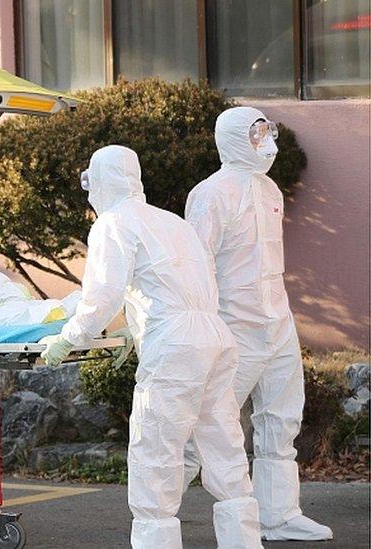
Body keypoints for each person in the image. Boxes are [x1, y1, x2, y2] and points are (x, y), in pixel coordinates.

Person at [39, 145, 262, 549]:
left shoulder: (113, 222)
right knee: (223, 443)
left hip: (175, 349)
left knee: (156, 448)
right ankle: (244, 543)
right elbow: (182, 286)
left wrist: (68, 339)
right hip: (214, 337)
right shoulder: (171, 221)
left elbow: (101, 298)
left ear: (101, 180)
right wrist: (135, 329)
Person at [183, 106, 333, 541]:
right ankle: (159, 508)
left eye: (267, 132)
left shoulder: (270, 189)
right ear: (232, 138)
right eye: (256, 134)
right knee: (211, 418)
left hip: (277, 318)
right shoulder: (210, 194)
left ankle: (279, 514)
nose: (266, 142)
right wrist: (204, 325)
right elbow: (198, 262)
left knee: (282, 416)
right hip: (234, 323)